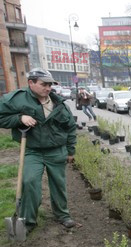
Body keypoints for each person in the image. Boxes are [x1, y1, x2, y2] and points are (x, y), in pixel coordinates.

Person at [0, 68, 77, 232]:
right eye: (44, 84)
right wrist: (19, 118)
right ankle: (28, 221)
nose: (48, 88)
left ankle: (62, 215)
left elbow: (70, 127)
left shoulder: (59, 103)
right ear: (31, 83)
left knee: (59, 184)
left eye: (50, 85)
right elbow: (2, 117)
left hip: (56, 150)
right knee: (29, 182)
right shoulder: (17, 99)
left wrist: (70, 151)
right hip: (32, 150)